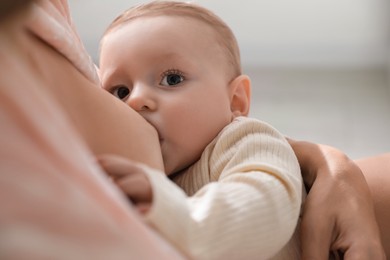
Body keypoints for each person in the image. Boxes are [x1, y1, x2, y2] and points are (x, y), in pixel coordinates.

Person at [0, 0, 387, 259]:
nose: (137, 101)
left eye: (171, 79)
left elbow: (267, 207)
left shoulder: (244, 142)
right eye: (119, 91)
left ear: (236, 101)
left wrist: (173, 213)